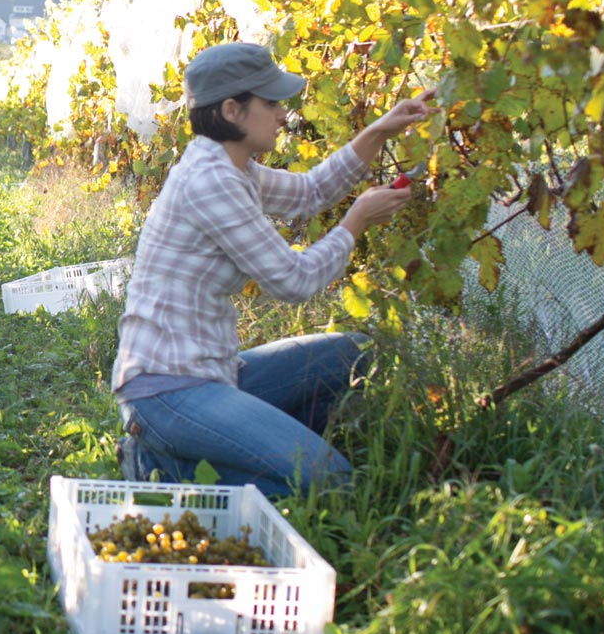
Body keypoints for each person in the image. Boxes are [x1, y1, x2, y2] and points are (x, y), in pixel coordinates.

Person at [112, 41, 435, 496]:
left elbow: (308, 192)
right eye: (271, 103)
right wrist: (356, 221)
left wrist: (378, 131)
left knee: (359, 354)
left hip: (213, 371)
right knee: (332, 483)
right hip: (167, 391)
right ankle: (161, 469)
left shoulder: (232, 167)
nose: (283, 114)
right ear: (232, 110)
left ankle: (222, 451)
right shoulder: (212, 181)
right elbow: (293, 281)